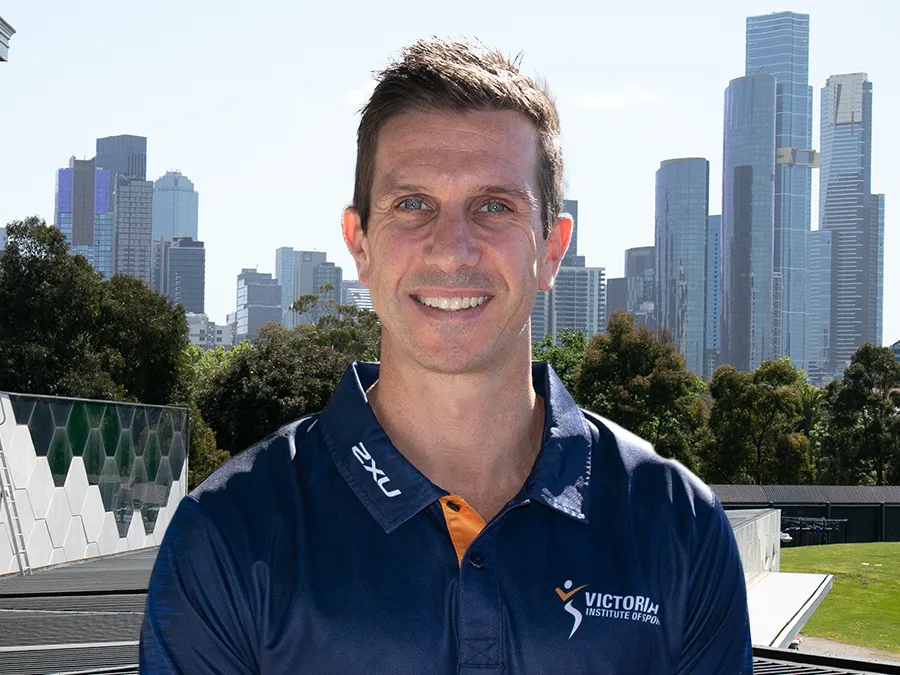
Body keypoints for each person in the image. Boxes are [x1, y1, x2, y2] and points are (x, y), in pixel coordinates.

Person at [140, 39, 753, 674]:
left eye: (494, 206)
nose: (452, 248)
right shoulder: (228, 535)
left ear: (551, 248)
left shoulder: (677, 526)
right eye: (412, 205)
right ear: (361, 243)